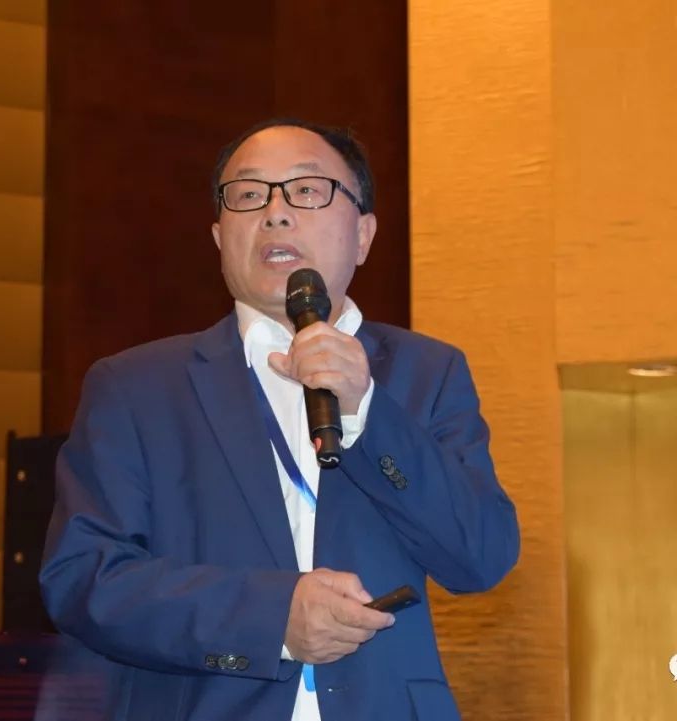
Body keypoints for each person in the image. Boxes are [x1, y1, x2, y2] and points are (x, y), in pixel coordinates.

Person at [39, 118, 520, 721]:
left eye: (307, 190)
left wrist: (368, 411)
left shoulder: (429, 373)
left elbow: (480, 556)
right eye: (248, 194)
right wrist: (272, 620)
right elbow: (84, 579)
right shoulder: (136, 387)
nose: (275, 213)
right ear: (219, 237)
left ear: (363, 234)